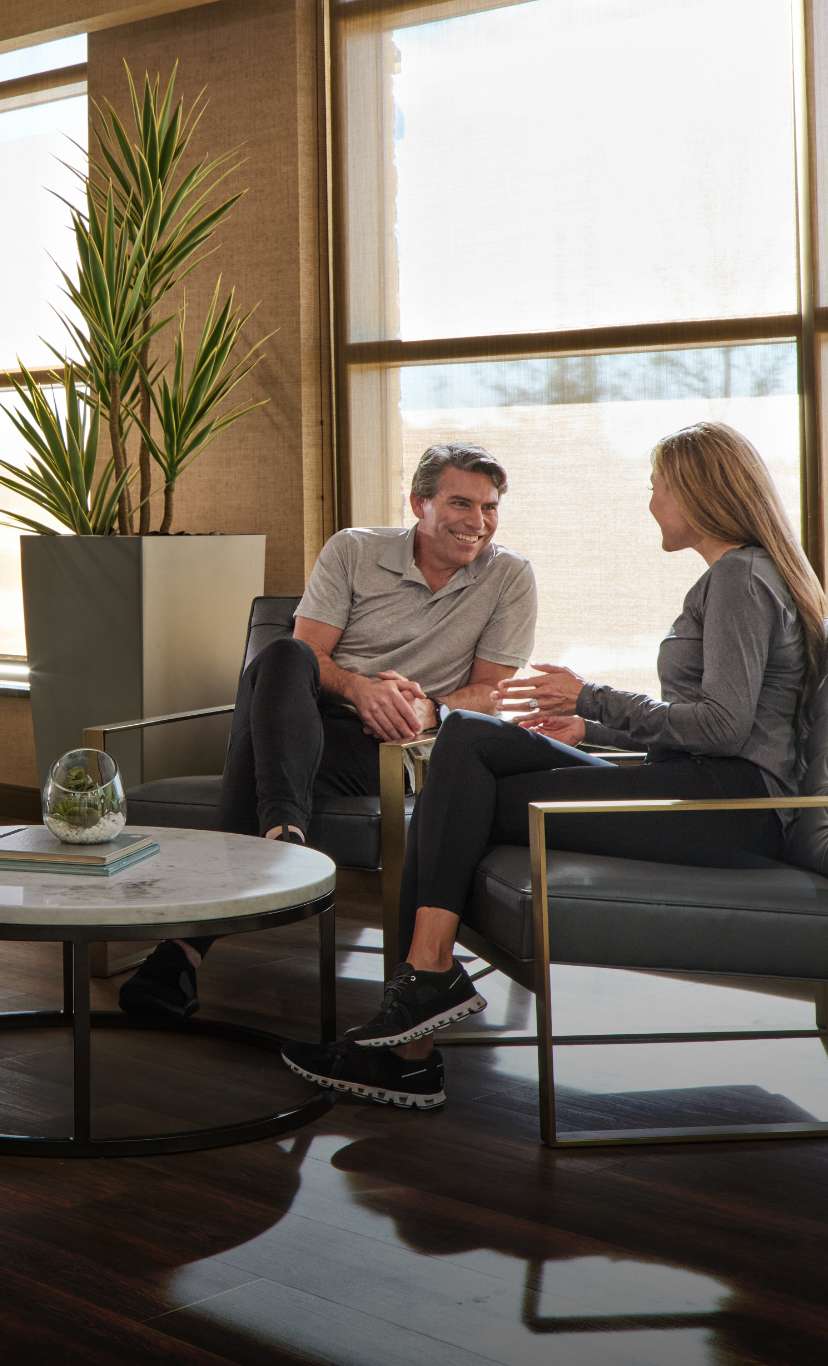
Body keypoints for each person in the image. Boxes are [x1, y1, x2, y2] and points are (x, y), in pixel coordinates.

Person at [282, 421, 826, 1110]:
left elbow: (723, 726)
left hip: (727, 808)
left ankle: (416, 1019)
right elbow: (709, 722)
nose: (651, 502)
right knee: (468, 735)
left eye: (657, 487)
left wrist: (590, 696)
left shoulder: (741, 577)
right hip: (695, 783)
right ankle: (424, 989)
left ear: (698, 492)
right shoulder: (739, 575)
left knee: (462, 792)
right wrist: (590, 727)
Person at [119, 442, 537, 1018]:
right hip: (309, 720)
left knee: (267, 746)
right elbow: (309, 656)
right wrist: (360, 689)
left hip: (399, 746)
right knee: (282, 656)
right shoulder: (353, 549)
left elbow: (492, 693)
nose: (478, 523)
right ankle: (283, 839)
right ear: (419, 504)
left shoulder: (509, 575)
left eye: (489, 508)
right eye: (461, 504)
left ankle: (189, 943)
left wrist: (429, 710)